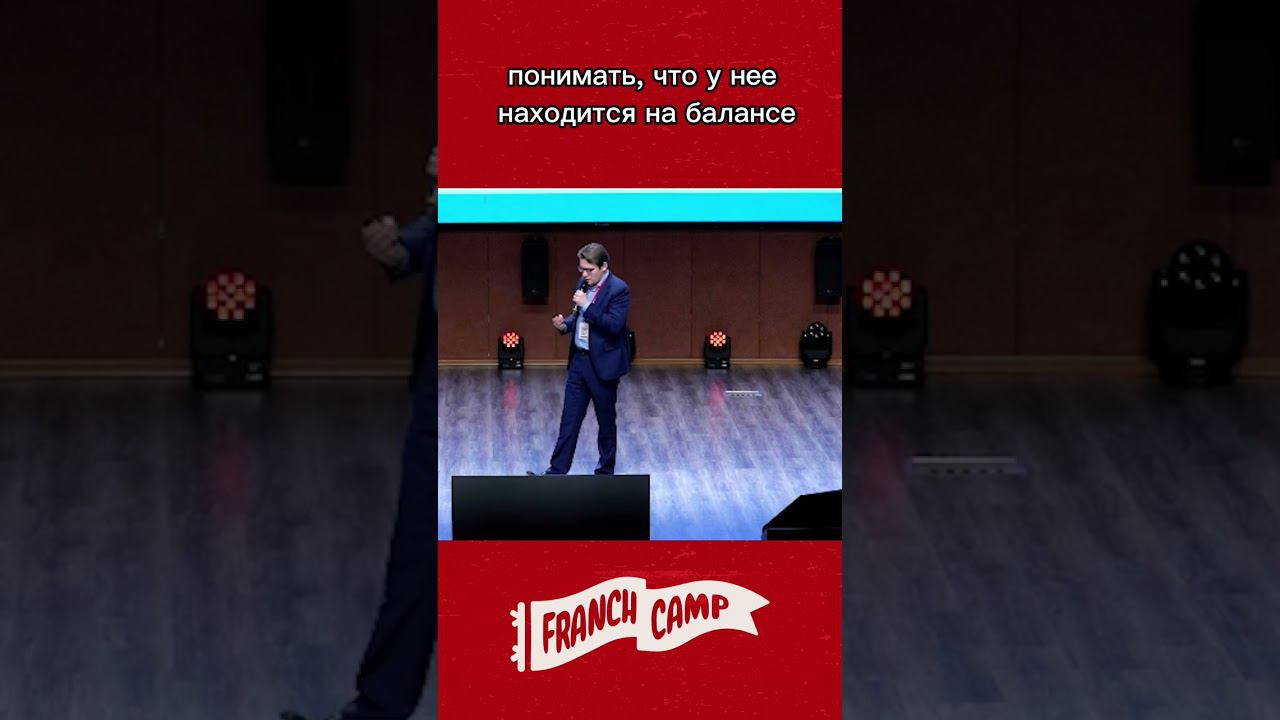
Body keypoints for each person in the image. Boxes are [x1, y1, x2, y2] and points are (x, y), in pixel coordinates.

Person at [282, 147, 438, 720]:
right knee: (416, 554)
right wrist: (403, 250)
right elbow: (439, 225)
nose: (431, 161)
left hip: (515, 383)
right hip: (442, 382)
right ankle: (377, 709)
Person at [531, 243, 631, 475]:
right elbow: (579, 318)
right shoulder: (583, 284)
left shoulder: (619, 290)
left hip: (603, 366)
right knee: (570, 420)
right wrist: (564, 325)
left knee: (605, 422)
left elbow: (614, 325)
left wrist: (587, 305)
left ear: (604, 266)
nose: (584, 274)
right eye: (582, 269)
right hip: (579, 362)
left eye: (589, 270)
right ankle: (557, 471)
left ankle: (605, 473)